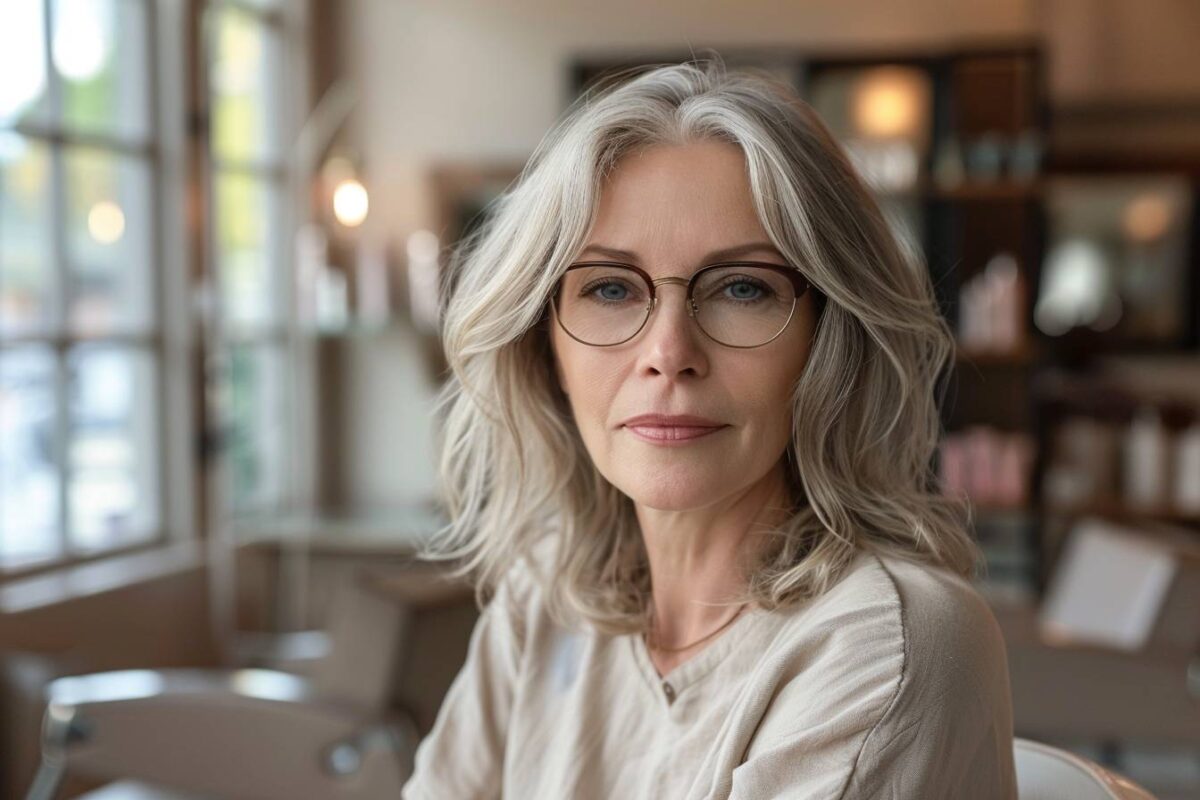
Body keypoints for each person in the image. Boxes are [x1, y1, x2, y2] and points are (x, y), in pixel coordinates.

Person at [402, 56, 1017, 799]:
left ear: (829, 341)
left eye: (742, 288)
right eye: (609, 287)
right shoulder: (546, 600)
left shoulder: (890, 642)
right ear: (544, 348)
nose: (668, 354)